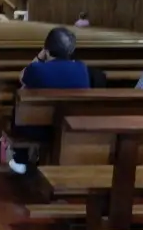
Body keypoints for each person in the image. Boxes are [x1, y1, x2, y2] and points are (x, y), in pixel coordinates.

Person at [7, 27, 90, 174]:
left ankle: (21, 159)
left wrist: (39, 57)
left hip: (37, 129)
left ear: (47, 48)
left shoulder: (37, 69)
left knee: (23, 96)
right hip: (69, 127)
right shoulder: (81, 68)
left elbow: (21, 76)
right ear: (70, 50)